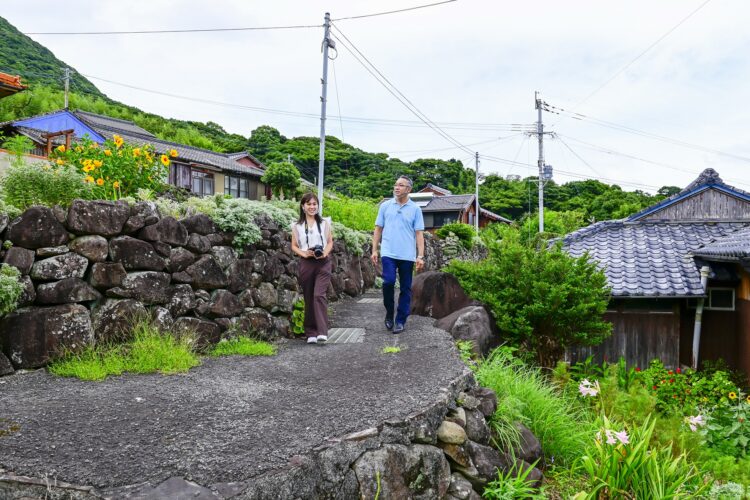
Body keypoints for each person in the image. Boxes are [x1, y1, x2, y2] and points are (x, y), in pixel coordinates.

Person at [371, 176, 425, 334]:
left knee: (405, 288)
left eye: (401, 185)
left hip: (407, 255)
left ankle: (400, 320)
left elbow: (419, 234)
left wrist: (420, 256)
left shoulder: (415, 209)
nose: (396, 188)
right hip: (388, 252)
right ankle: (389, 312)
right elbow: (378, 229)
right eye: (395, 185)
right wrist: (374, 249)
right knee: (388, 282)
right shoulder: (385, 206)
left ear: (409, 189)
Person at [291, 192, 334, 344]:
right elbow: (294, 246)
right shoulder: (297, 226)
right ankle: (310, 332)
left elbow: (329, 242)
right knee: (309, 297)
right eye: (309, 204)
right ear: (303, 206)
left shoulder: (324, 223)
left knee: (319, 295)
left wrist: (325, 253)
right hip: (306, 262)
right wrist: (304, 252)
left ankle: (322, 332)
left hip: (323, 262)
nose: (312, 207)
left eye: (314, 204)